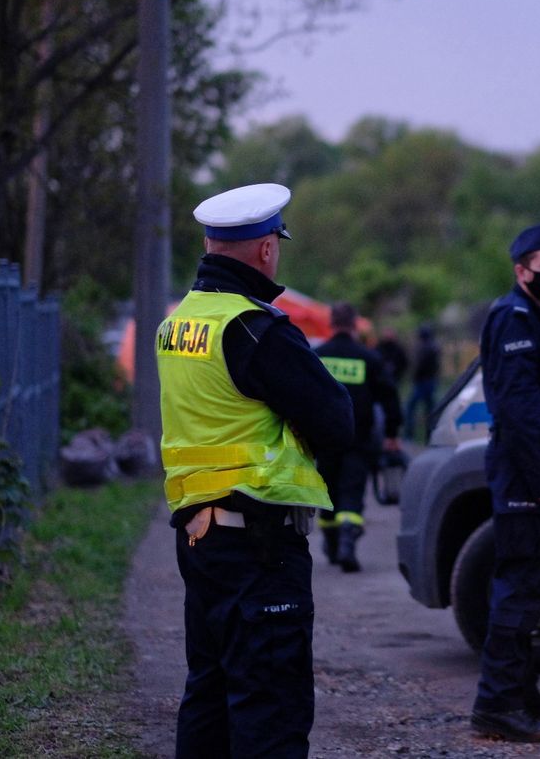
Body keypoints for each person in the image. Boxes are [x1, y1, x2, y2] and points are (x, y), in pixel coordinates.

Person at [156, 182, 354, 759]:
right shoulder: (254, 328)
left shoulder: (180, 322)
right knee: (270, 708)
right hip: (259, 546)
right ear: (267, 249)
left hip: (199, 536)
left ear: (209, 243)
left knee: (210, 694)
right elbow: (337, 421)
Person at [470, 222, 540, 744]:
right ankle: (496, 705)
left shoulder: (536, 314)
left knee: (531, 588)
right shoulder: (514, 319)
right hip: (523, 473)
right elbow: (519, 412)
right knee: (518, 590)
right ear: (521, 270)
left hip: (531, 471)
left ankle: (521, 689)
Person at [314, 301, 404, 572]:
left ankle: (331, 542)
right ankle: (347, 546)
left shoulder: (318, 355)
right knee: (352, 491)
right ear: (355, 325)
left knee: (327, 492)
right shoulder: (369, 358)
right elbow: (390, 398)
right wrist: (391, 433)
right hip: (359, 438)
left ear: (331, 324)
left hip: (325, 439)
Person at [404, 323, 440, 440]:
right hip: (431, 381)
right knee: (430, 409)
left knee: (410, 407)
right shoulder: (434, 347)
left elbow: (419, 366)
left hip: (421, 382)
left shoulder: (424, 348)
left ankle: (409, 434)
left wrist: (414, 376)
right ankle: (429, 435)